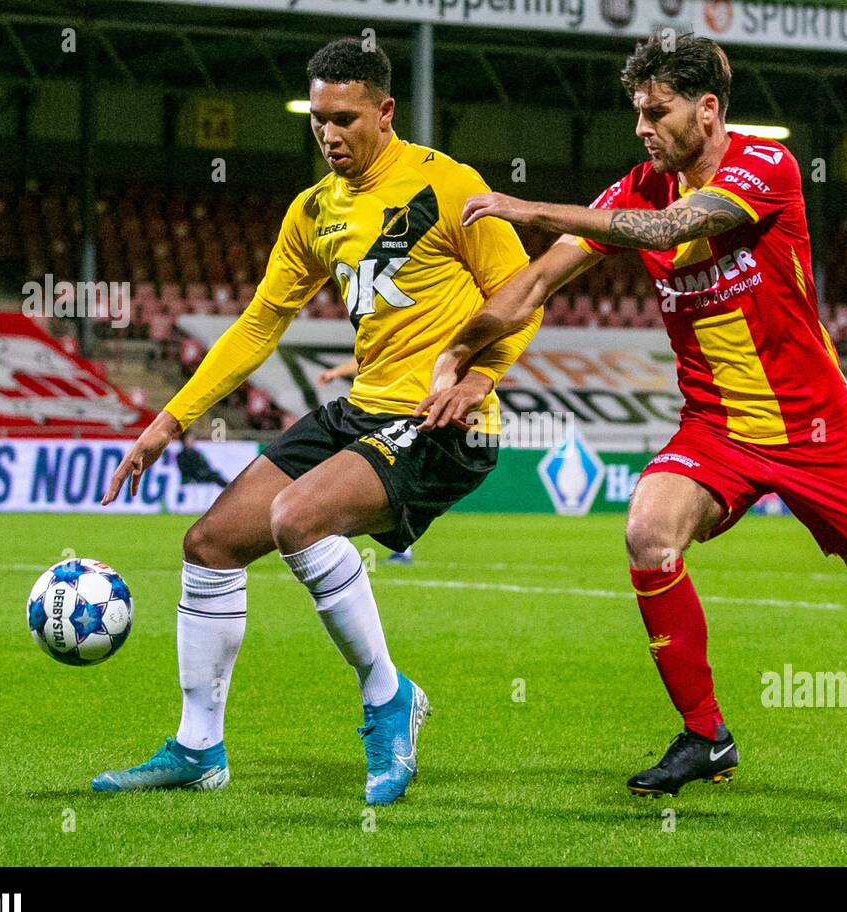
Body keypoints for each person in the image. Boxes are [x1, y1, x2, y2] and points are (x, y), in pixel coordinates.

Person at [418, 33, 847, 811]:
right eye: (636, 113)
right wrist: (457, 356)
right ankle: (706, 735)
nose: (642, 129)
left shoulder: (765, 167)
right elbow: (533, 286)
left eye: (656, 112)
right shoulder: (636, 187)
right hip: (716, 430)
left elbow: (667, 232)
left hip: (820, 434)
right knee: (647, 532)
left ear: (706, 109)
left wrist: (526, 207)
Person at [91, 37, 541, 805]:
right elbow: (261, 323)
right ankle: (199, 749)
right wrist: (172, 420)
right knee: (209, 543)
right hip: (363, 411)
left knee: (298, 518)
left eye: (343, 118)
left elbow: (523, 288)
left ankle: (387, 697)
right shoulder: (313, 210)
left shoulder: (446, 183)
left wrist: (483, 375)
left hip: (443, 420)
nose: (329, 135)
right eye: (316, 120)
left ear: (384, 110)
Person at [320, 359, 414, 564]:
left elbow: (361, 360)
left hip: (382, 418)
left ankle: (334, 543)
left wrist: (334, 372)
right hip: (379, 417)